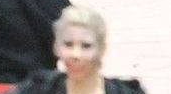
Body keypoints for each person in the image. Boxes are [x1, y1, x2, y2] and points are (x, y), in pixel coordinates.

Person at [10, 6, 147, 94]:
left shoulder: (125, 92)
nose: (76, 54)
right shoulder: (37, 89)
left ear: (102, 49)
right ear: (56, 47)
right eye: (68, 44)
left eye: (86, 46)